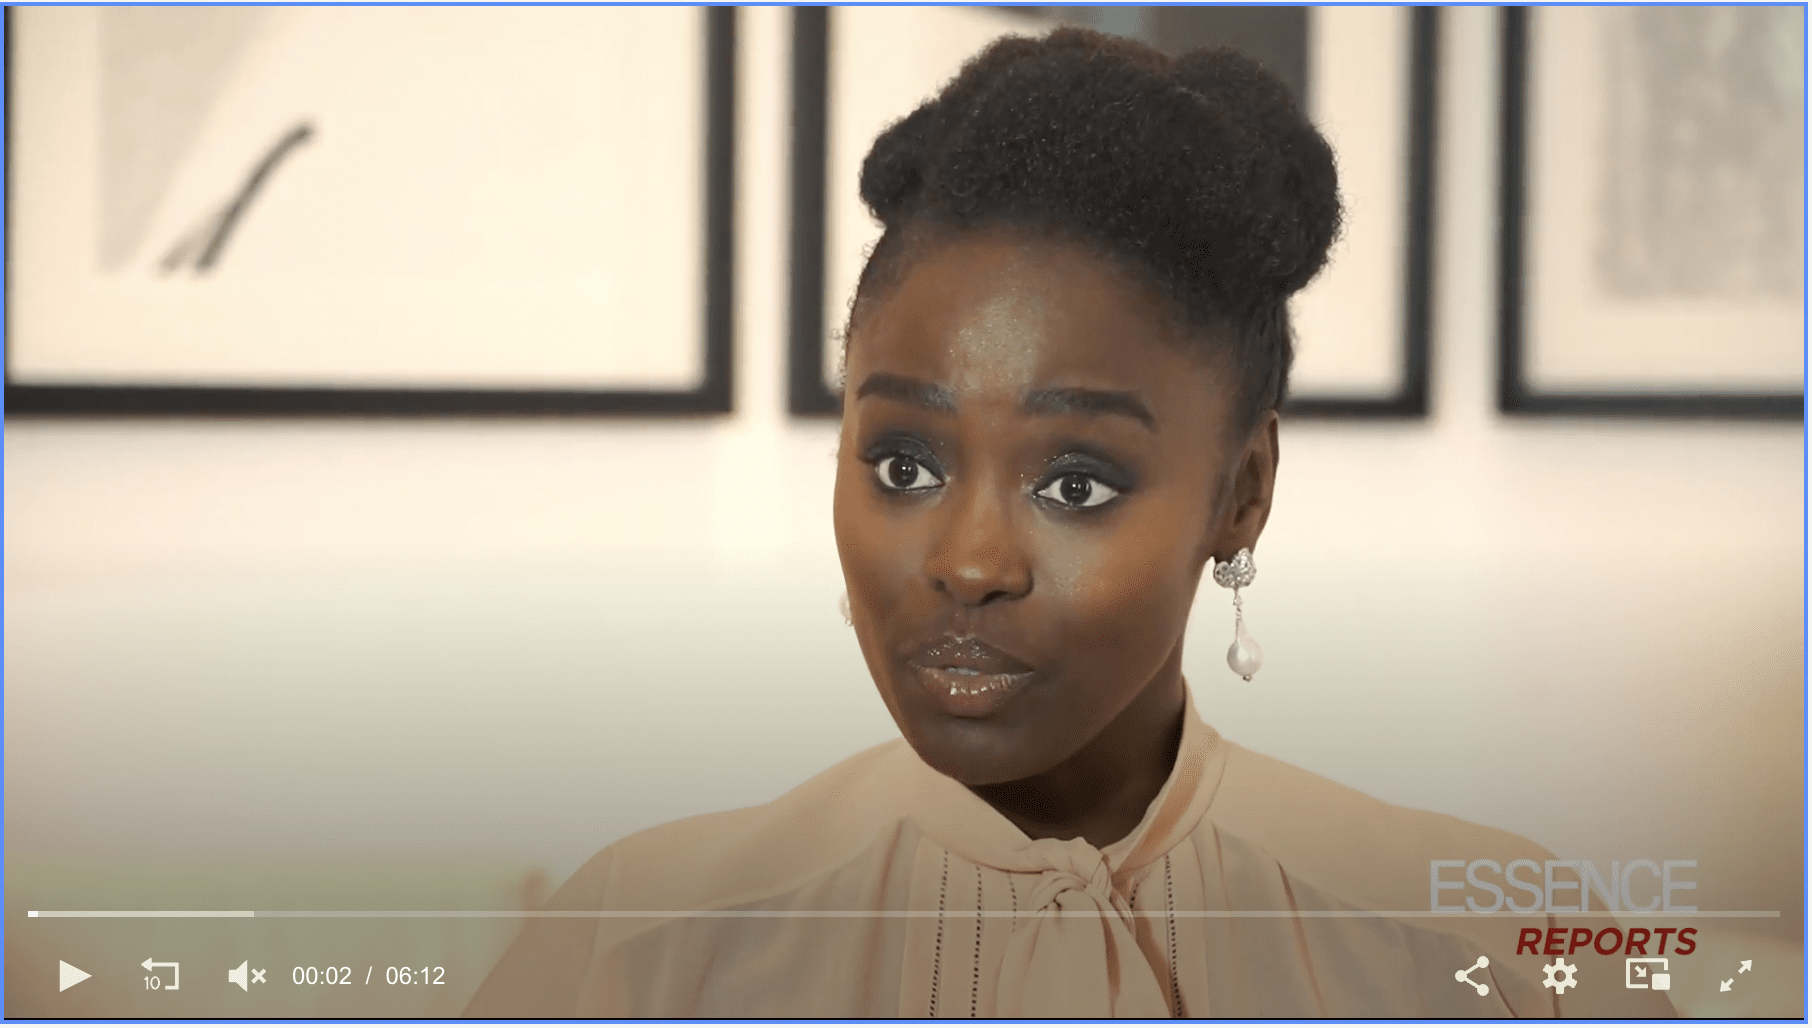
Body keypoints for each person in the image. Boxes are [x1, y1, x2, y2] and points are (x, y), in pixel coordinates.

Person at [465, 28, 1673, 1018]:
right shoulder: (630, 952)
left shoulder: (1504, 959)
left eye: (1077, 483)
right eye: (902, 460)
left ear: (1242, 489)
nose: (968, 561)